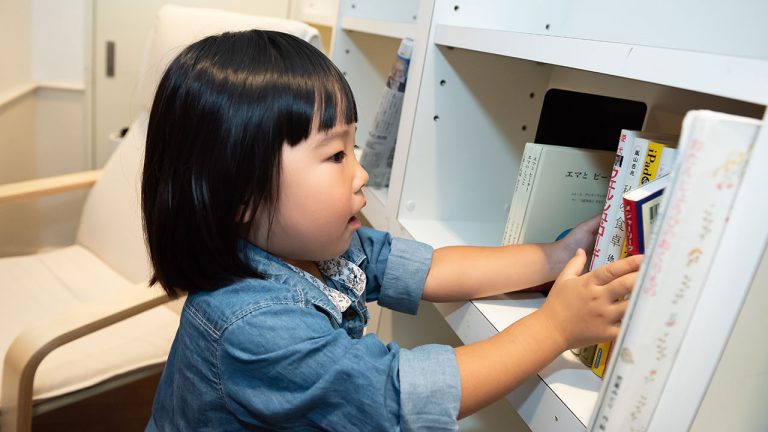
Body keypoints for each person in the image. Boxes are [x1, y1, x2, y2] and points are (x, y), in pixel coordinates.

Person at [142, 29, 642, 431]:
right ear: (241, 195)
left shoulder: (319, 249)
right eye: (336, 155)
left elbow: (431, 268)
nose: (360, 173)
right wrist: (554, 328)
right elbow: (401, 396)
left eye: (354, 149)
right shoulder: (252, 327)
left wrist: (558, 255)